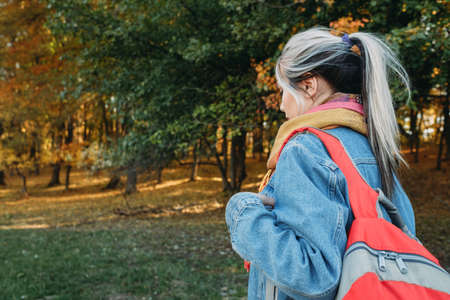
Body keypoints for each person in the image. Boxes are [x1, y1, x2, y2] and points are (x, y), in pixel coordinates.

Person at [225, 27, 416, 300]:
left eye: (284, 91)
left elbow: (313, 278)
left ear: (308, 85)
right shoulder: (373, 148)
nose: (281, 105)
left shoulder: (306, 149)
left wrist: (242, 211)